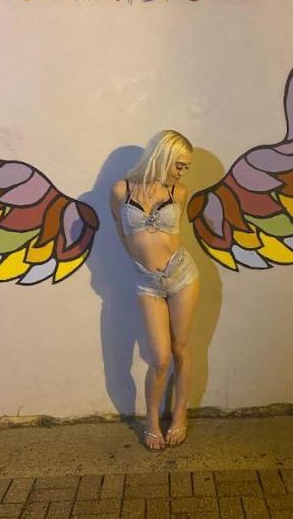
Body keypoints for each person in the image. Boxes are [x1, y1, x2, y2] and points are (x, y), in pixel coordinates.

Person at [110, 129, 200, 450]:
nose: (182, 172)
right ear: (161, 157)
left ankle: (179, 414)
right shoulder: (121, 190)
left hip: (181, 275)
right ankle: (151, 421)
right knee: (160, 359)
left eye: (185, 167)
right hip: (146, 282)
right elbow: (121, 229)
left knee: (181, 348)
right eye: (179, 164)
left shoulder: (180, 191)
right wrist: (139, 263)